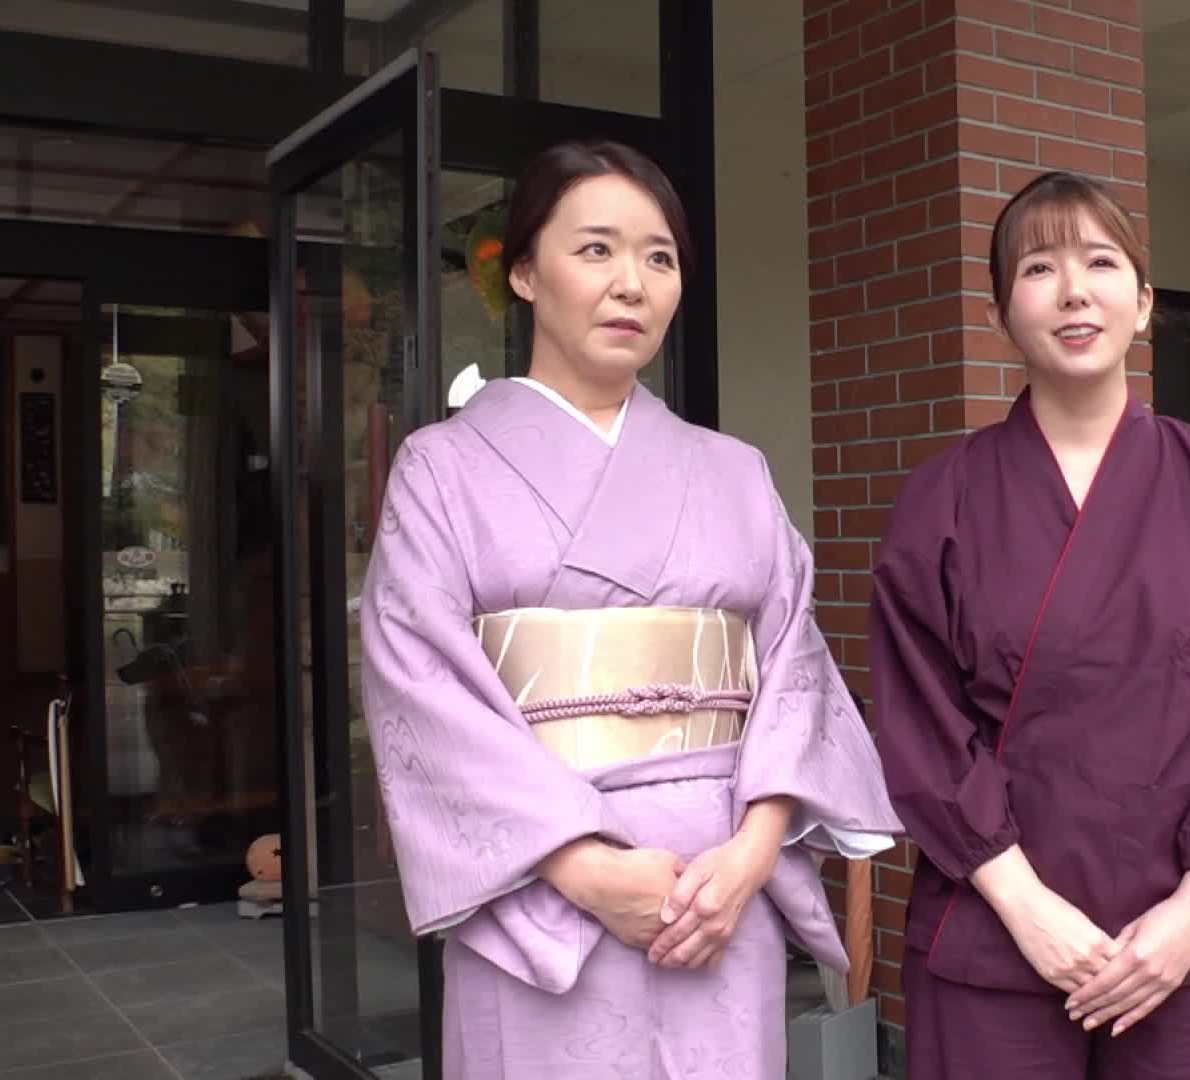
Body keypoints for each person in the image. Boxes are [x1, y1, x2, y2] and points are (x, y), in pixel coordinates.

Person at [360, 139, 900, 1079]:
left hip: (721, 886)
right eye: (596, 249)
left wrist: (753, 852)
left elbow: (794, 674)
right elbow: (419, 685)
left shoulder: (735, 472)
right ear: (523, 273)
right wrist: (586, 871)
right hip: (539, 891)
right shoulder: (442, 469)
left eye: (660, 257)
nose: (632, 284)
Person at [868, 171, 1190, 1078]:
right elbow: (918, 727)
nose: (1072, 290)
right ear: (999, 314)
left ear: (1143, 304)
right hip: (997, 930)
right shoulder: (940, 501)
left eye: (1101, 263)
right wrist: (1027, 909)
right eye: (1038, 268)